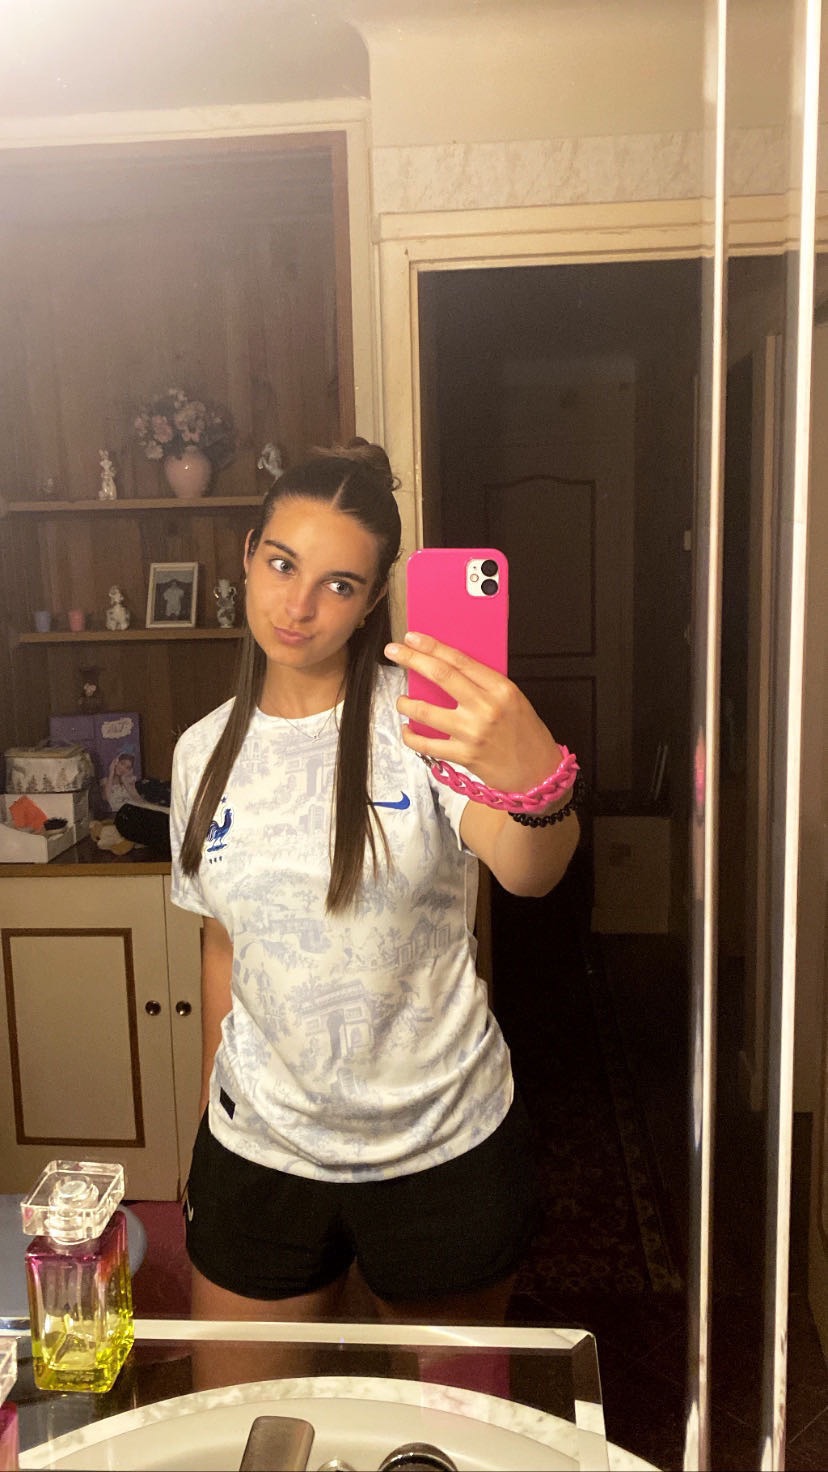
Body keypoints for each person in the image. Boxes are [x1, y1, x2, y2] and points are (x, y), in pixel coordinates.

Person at [169, 439, 580, 1336]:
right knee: (245, 1419)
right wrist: (207, 1123)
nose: (299, 607)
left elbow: (529, 871)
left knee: (452, 1421)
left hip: (440, 1147)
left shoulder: (424, 725)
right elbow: (224, 948)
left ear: (372, 601)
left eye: (340, 584)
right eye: (283, 565)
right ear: (249, 554)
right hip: (258, 1151)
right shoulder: (200, 752)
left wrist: (537, 782)